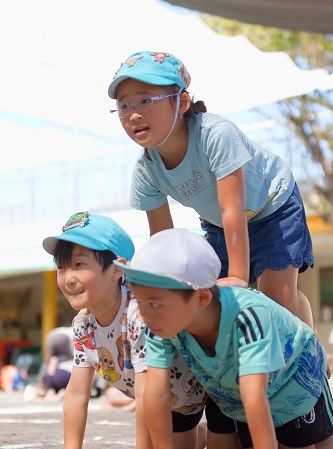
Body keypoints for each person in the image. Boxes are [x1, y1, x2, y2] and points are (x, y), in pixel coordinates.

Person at [115, 228, 333, 449]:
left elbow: (254, 391)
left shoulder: (248, 315)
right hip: (234, 389)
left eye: (154, 303)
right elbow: (154, 392)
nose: (144, 314)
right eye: (139, 302)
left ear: (201, 297)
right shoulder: (160, 324)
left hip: (295, 376)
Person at [109, 51, 316, 330]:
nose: (133, 115)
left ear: (181, 102)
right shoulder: (147, 169)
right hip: (220, 224)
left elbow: (234, 209)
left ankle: (310, 339)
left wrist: (239, 277)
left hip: (272, 206)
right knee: (203, 295)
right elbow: (164, 240)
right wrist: (153, 282)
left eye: (146, 100)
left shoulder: (216, 134)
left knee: (276, 296)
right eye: (123, 106)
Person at [35, 212, 207, 449]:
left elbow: (147, 388)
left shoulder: (139, 313)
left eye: (79, 264)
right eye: (61, 267)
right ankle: (205, 434)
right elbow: (77, 392)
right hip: (168, 404)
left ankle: (222, 430)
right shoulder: (83, 325)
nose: (68, 277)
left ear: (117, 269)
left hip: (197, 390)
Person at [34, 326, 74, 400]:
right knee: (66, 357)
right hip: (64, 338)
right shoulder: (78, 331)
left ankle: (42, 388)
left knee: (49, 360)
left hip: (51, 336)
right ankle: (61, 391)